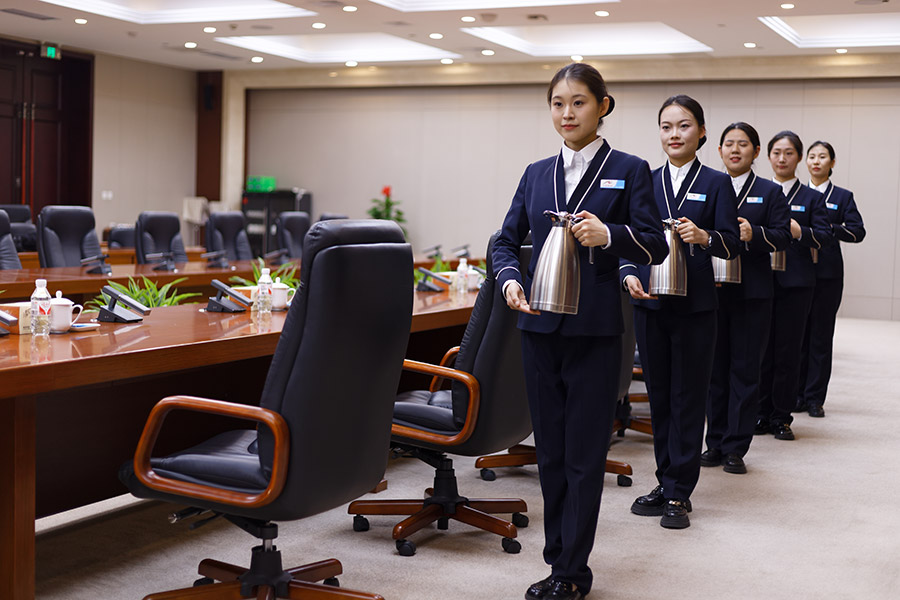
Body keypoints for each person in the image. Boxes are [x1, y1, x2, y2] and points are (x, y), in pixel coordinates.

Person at [493, 63, 667, 600]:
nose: (567, 113)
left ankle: (572, 571)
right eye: (558, 103)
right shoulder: (535, 172)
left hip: (594, 331)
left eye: (579, 102)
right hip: (538, 327)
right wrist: (508, 279)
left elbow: (655, 245)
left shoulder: (630, 169)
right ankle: (556, 561)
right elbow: (505, 240)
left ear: (603, 106)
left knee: (583, 455)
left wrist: (609, 234)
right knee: (549, 452)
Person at [621, 94, 740, 529]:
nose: (674, 134)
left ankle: (679, 492)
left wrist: (705, 236)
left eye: (684, 125)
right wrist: (628, 273)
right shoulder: (645, 180)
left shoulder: (716, 182)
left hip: (695, 306)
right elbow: (629, 240)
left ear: (702, 132)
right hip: (650, 303)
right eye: (667, 126)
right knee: (660, 398)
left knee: (688, 398)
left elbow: (732, 243)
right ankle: (664, 479)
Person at [701, 122, 792, 475]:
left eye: (743, 144)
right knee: (714, 369)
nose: (735, 150)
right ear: (719, 150)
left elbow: (783, 236)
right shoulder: (708, 185)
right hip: (711, 290)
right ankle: (714, 441)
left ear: (755, 152)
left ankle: (736, 446)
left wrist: (755, 233)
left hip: (752, 293)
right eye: (728, 144)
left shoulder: (769, 192)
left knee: (744, 369)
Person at [757, 131, 833, 440]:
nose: (782, 158)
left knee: (788, 351)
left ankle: (781, 416)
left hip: (797, 283)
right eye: (776, 152)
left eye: (789, 153)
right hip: (760, 280)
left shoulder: (811, 197)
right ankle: (760, 412)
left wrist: (800, 231)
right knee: (761, 350)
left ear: (798, 158)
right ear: (768, 156)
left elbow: (825, 237)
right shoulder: (760, 191)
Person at [795, 141, 866, 417]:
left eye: (822, 157)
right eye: (812, 156)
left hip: (828, 274)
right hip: (798, 271)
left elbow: (858, 232)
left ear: (832, 163)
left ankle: (814, 398)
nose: (816, 161)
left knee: (821, 336)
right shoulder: (797, 193)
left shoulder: (843, 197)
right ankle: (796, 395)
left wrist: (827, 229)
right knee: (797, 335)